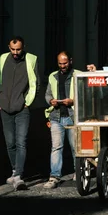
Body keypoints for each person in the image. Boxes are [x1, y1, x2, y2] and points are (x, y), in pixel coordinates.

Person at [0, 36, 40, 191]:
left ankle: (18, 175)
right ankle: (14, 170)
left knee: (21, 141)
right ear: (9, 47)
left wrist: (27, 102)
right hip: (5, 107)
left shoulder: (31, 59)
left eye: (18, 49)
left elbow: (36, 83)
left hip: (22, 109)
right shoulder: (3, 58)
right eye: (13, 49)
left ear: (23, 47)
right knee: (10, 142)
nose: (15, 52)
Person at [43, 51, 80, 189]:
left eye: (65, 63)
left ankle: (79, 172)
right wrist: (50, 101)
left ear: (70, 61)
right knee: (56, 147)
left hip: (73, 116)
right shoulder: (53, 76)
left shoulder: (78, 75)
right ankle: (54, 177)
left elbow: (84, 94)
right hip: (56, 116)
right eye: (60, 63)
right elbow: (47, 94)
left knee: (76, 147)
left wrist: (72, 101)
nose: (62, 66)